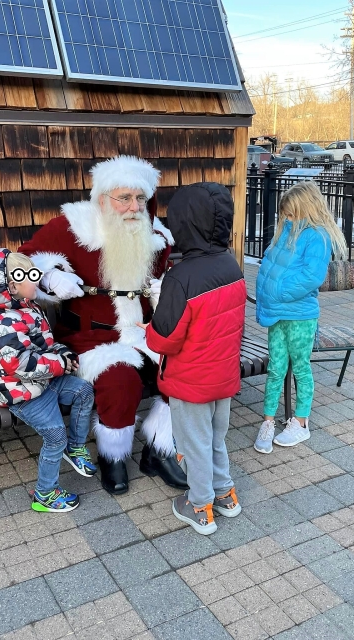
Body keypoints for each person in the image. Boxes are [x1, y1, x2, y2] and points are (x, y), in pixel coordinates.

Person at [19, 155, 187, 495]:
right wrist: (50, 278)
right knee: (119, 380)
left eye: (140, 198)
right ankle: (113, 457)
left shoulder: (157, 236)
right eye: (124, 197)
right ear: (102, 199)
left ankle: (159, 449)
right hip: (89, 336)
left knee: (183, 369)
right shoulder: (72, 226)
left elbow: (160, 285)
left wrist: (164, 289)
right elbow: (24, 261)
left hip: (142, 331)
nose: (133, 206)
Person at [143, 182, 247, 535]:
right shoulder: (231, 265)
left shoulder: (181, 277)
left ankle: (199, 506)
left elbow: (164, 340)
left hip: (190, 383)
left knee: (193, 444)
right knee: (216, 439)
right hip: (223, 377)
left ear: (184, 225)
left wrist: (150, 326)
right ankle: (226, 495)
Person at [0, 249, 96, 512]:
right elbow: (22, 366)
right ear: (11, 287)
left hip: (46, 381)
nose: (36, 278)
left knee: (83, 390)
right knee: (54, 437)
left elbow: (45, 345)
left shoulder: (30, 309)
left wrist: (63, 354)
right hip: (23, 393)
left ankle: (75, 448)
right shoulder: (3, 324)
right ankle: (45, 494)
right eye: (28, 275)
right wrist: (61, 365)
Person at [254, 180, 348, 454]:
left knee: (301, 368)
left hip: (300, 316)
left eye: (291, 213)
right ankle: (268, 421)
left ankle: (301, 422)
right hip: (278, 313)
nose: (286, 218)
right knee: (275, 368)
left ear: (306, 208)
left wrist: (278, 291)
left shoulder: (317, 236)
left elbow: (312, 276)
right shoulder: (288, 230)